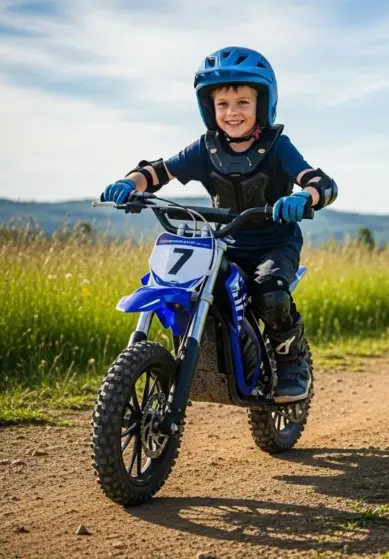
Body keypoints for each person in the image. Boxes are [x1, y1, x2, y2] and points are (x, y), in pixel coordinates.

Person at [100, 46, 338, 403]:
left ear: (263, 103)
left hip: (274, 244)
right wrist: (130, 183)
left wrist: (304, 197)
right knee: (189, 288)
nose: (232, 112)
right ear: (209, 107)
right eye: (223, 104)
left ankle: (292, 364)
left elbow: (320, 182)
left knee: (271, 294)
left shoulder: (278, 147)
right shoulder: (205, 148)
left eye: (243, 102)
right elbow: (158, 171)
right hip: (224, 242)